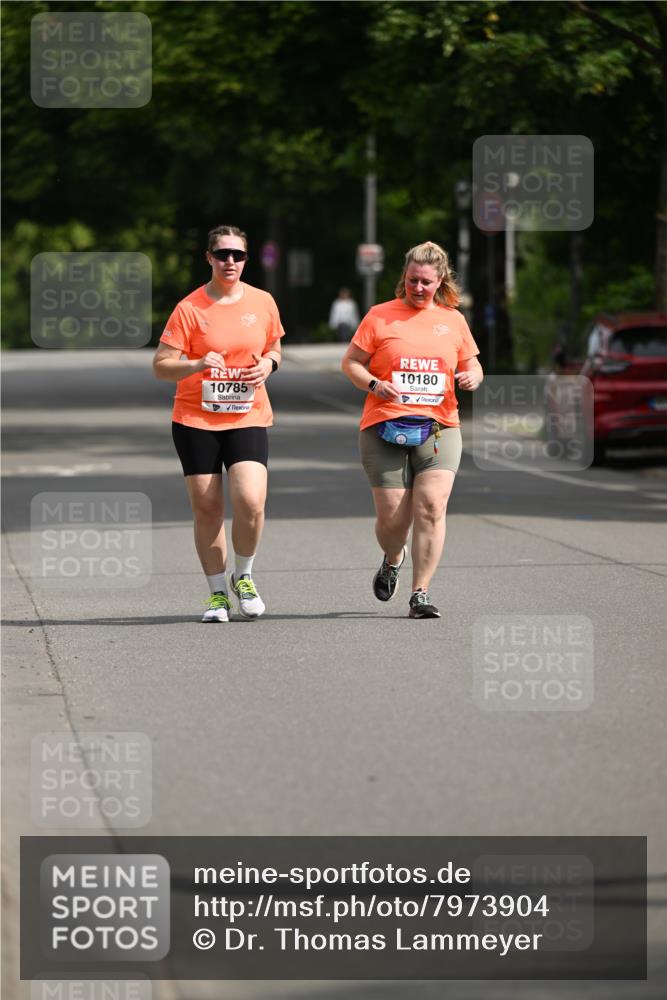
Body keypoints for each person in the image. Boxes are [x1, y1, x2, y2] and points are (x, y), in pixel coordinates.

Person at [341, 241, 483, 619]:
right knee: (392, 520)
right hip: (384, 425)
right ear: (403, 278)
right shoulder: (380, 316)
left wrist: (472, 377)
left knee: (432, 507)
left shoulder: (453, 320)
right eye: (412, 281)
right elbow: (352, 363)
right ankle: (393, 556)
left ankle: (420, 593)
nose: (418, 288)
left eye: (425, 282)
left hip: (440, 426)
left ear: (440, 282)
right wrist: (373, 383)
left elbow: (474, 365)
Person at [153, 224, 285, 622]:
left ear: (246, 260)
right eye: (223, 254)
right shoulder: (190, 308)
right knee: (208, 508)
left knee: (250, 500)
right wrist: (195, 364)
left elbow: (274, 346)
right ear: (209, 258)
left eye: (238, 255)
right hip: (196, 419)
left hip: (247, 414)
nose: (231, 261)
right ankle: (216, 596)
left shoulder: (262, 302)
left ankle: (242, 576)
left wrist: (268, 364)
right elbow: (161, 366)